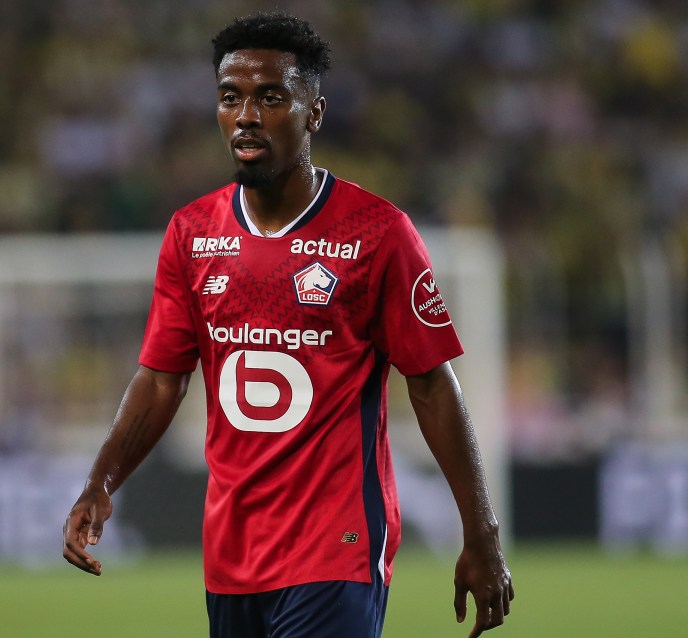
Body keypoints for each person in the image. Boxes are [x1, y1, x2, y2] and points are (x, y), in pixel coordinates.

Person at [63, 12, 514, 638]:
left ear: (315, 113)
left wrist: (481, 531)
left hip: (337, 546)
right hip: (232, 550)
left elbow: (433, 385)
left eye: (270, 97)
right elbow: (163, 380)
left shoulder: (378, 233)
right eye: (231, 97)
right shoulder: (192, 235)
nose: (246, 115)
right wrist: (100, 482)